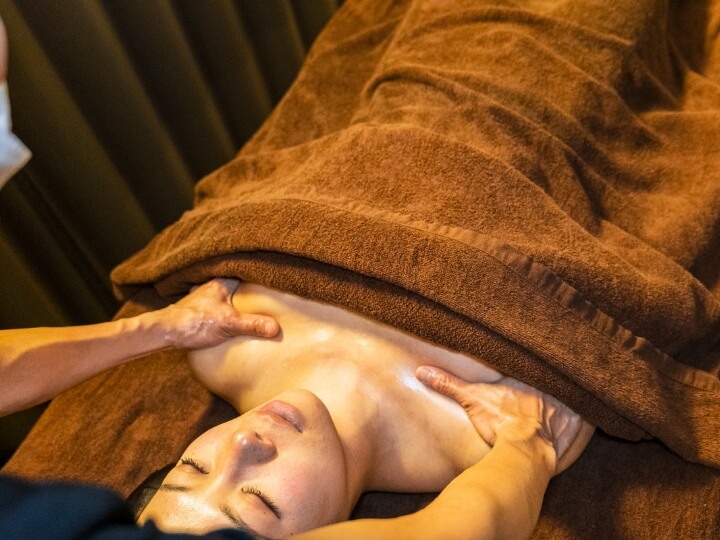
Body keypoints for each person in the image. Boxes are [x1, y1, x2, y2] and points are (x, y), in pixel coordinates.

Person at [138, 282, 595, 539]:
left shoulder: (217, 346)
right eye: (260, 501)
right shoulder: (493, 426)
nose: (240, 444)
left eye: (193, 466)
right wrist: (528, 445)